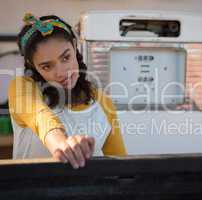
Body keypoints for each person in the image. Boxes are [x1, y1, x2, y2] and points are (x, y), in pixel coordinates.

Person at [8, 13, 127, 169]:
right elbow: (40, 117)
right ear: (32, 65)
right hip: (31, 191)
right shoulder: (22, 87)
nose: (61, 72)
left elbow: (120, 165)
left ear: (74, 45)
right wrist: (61, 144)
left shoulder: (101, 100)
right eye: (47, 66)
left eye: (65, 57)